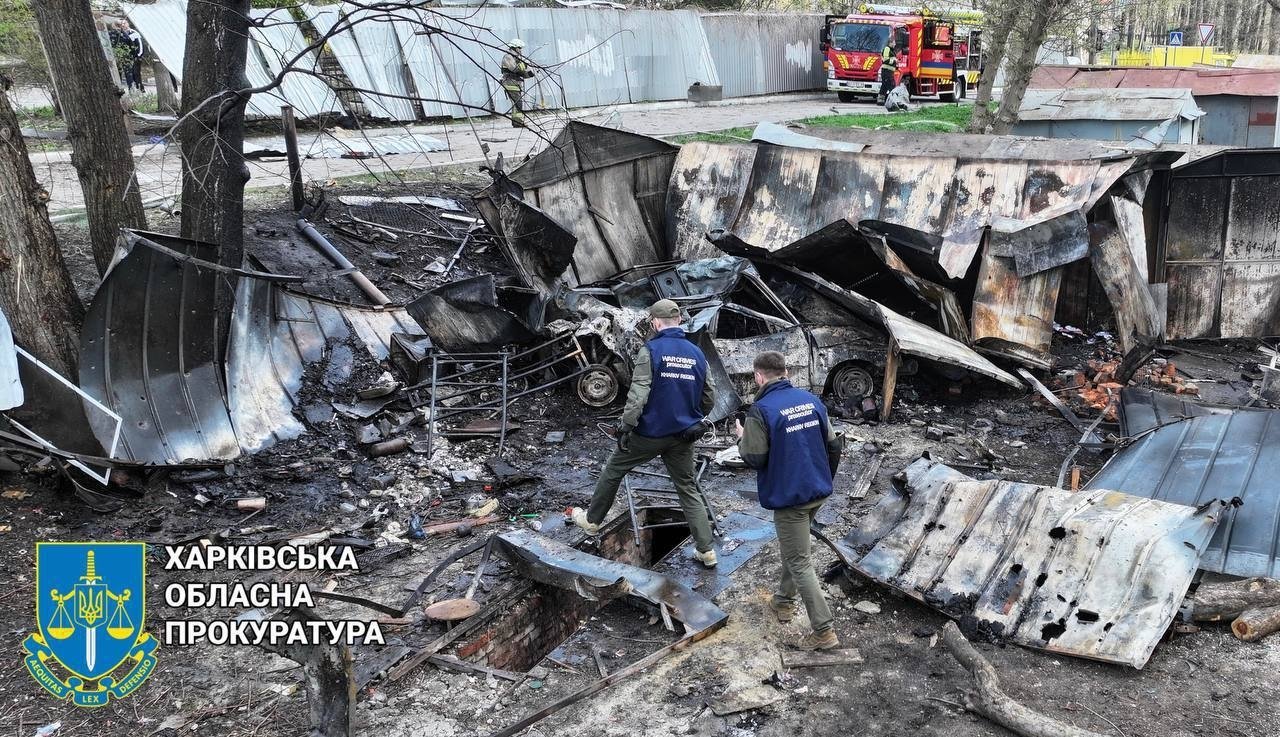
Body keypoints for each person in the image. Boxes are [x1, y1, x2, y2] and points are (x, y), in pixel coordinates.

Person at [569, 299, 718, 567]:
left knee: (614, 469)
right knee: (687, 488)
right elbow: (709, 398)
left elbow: (638, 396)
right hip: (683, 436)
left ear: (655, 323)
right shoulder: (697, 353)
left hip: (649, 434)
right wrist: (694, 417)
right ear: (679, 321)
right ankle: (706, 551)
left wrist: (625, 426)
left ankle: (592, 521)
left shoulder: (651, 351)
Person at [734, 350, 843, 651]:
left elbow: (755, 457)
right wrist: (824, 480)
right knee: (795, 548)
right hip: (817, 490)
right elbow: (834, 445)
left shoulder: (761, 410)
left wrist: (742, 437)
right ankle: (783, 601)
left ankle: (824, 631)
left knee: (799, 560)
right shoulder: (811, 401)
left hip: (791, 497)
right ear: (786, 373)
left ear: (758, 376)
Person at [500, 38, 536, 128]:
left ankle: (516, 122)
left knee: (517, 103)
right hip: (510, 83)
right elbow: (515, 69)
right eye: (520, 48)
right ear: (515, 48)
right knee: (517, 103)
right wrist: (524, 64)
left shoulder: (516, 58)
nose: (520, 50)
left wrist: (531, 74)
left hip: (516, 83)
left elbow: (520, 73)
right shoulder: (508, 57)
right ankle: (518, 122)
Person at [115, 20, 146, 93]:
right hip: (125, 57)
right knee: (129, 74)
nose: (123, 25)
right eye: (121, 24)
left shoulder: (134, 33)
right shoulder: (120, 34)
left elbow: (140, 45)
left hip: (135, 56)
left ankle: (140, 89)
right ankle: (131, 89)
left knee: (136, 73)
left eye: (124, 23)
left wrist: (138, 55)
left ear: (127, 24)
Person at [876, 35, 899, 105]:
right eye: (894, 43)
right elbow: (885, 60)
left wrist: (895, 64)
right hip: (886, 71)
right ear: (890, 43)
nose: (895, 44)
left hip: (889, 71)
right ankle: (893, 101)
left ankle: (880, 100)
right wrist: (894, 61)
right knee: (892, 86)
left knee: (884, 86)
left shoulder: (891, 50)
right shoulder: (887, 49)